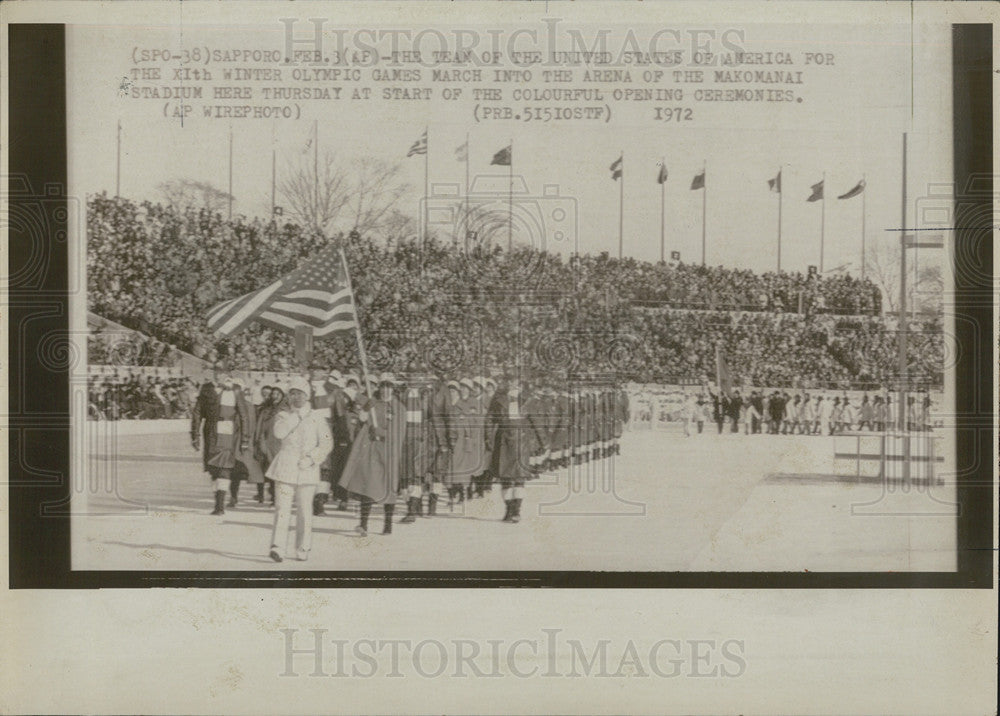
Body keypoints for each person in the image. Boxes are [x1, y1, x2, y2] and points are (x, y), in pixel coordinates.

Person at [266, 376, 333, 562]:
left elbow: (327, 443)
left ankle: (302, 547)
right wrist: (295, 415)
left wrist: (313, 458)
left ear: (307, 396)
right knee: (282, 508)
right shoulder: (283, 415)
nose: (296, 397)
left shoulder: (317, 417)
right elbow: (279, 433)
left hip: (307, 468)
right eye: (292, 393)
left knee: (304, 510)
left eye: (300, 394)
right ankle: (278, 546)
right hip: (285, 466)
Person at [339, 374, 406, 536]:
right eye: (382, 386)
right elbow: (362, 418)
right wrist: (367, 408)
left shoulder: (399, 408)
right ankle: (363, 524)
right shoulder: (374, 403)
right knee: (368, 485)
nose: (385, 390)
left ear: (393, 388)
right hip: (372, 451)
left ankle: (388, 524)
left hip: (389, 453)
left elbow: (399, 432)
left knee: (388, 488)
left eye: (388, 386)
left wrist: (381, 432)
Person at [486, 376, 547, 524]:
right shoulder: (498, 400)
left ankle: (517, 510)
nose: (513, 385)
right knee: (506, 478)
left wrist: (543, 442)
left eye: (516, 383)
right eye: (510, 382)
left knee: (519, 479)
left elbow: (536, 422)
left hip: (521, 443)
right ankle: (509, 510)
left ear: (520, 386)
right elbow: (489, 420)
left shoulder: (528, 401)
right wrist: (488, 439)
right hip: (503, 442)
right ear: (506, 384)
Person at [252, 384, 285, 504]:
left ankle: (275, 497)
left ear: (282, 396)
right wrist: (259, 440)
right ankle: (260, 495)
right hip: (265, 442)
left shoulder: (285, 410)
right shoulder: (266, 410)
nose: (275, 396)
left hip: (279, 444)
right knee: (261, 469)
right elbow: (260, 426)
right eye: (273, 394)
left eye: (278, 394)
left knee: (275, 471)